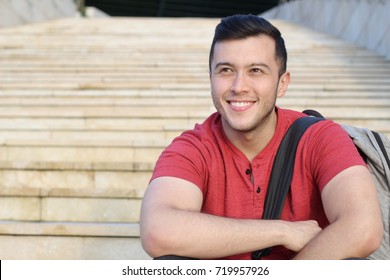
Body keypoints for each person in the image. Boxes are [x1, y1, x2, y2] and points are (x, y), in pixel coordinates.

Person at [140, 14, 384, 260]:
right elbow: (158, 231)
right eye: (226, 70)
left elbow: (363, 228)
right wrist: (282, 231)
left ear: (282, 83)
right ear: (211, 79)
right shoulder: (192, 148)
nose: (239, 86)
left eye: (256, 70)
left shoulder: (320, 138)